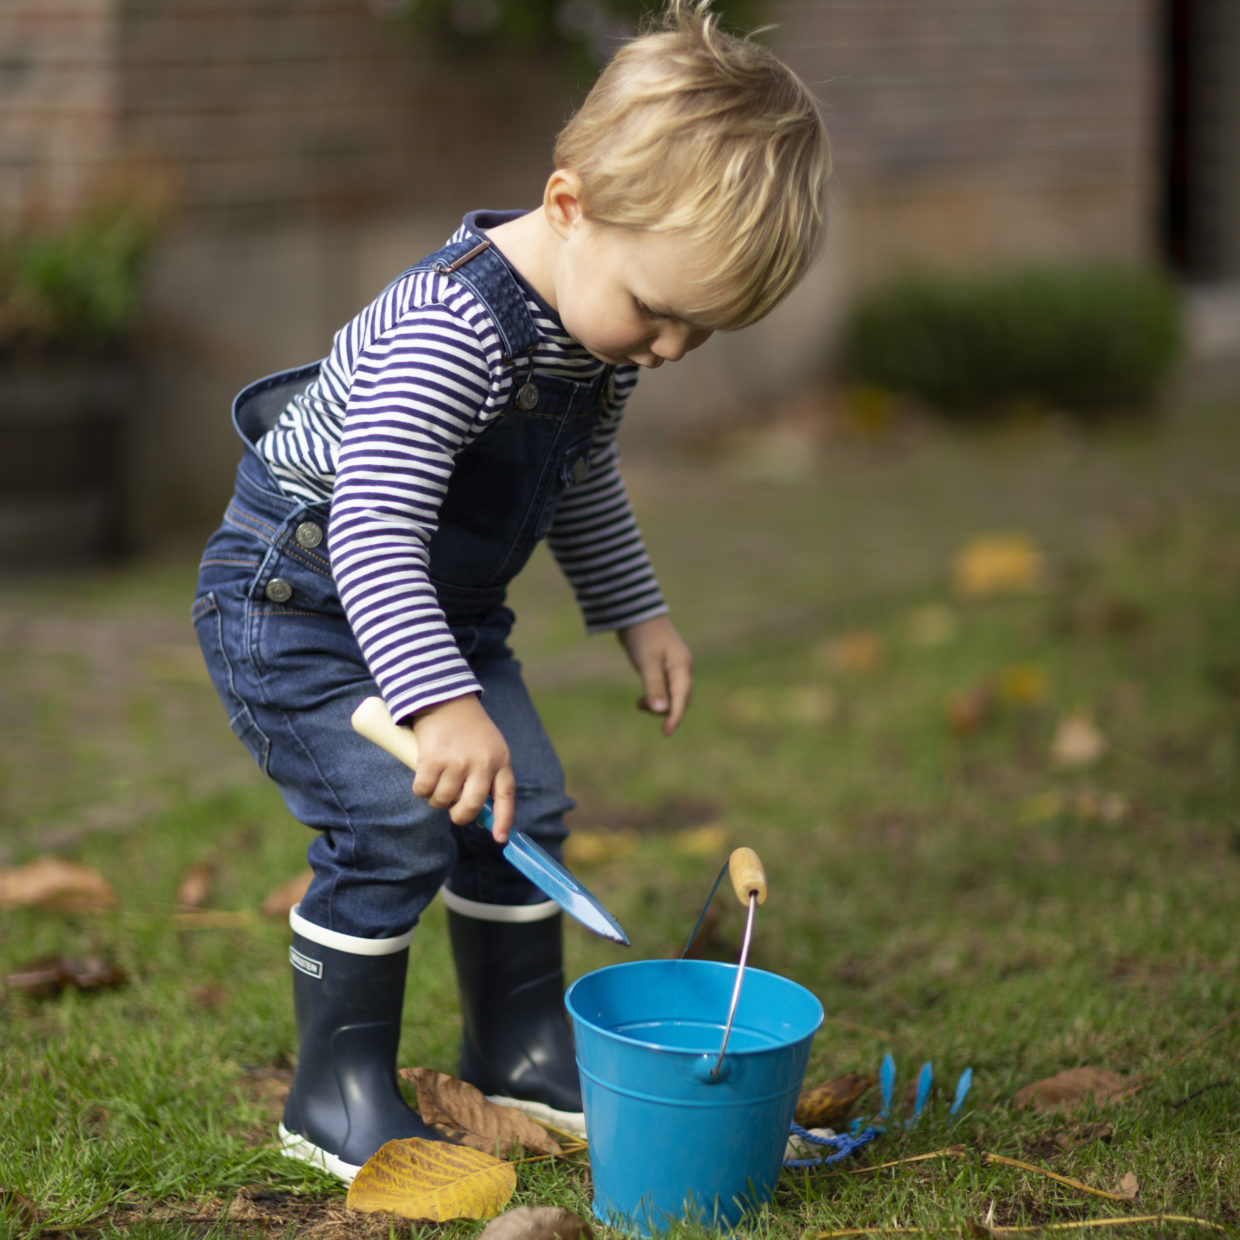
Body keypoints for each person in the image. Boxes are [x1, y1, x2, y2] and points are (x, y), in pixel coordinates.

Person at [193, 0, 830, 1184]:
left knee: (521, 801)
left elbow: (580, 483)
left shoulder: (593, 337)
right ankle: (333, 1091)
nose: (671, 350)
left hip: (440, 617)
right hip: (301, 608)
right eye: (659, 312)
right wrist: (441, 702)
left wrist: (635, 612)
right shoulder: (449, 329)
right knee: (390, 827)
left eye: (703, 330)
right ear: (569, 208)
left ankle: (520, 1045)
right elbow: (375, 531)